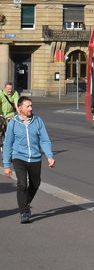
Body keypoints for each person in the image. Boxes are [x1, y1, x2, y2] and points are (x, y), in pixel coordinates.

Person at [3, 96, 55, 224]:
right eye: (28, 106)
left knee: (35, 183)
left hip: (35, 157)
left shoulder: (38, 121)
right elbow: (8, 144)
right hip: (19, 157)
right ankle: (24, 212)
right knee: (22, 184)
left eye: (31, 106)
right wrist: (6, 165)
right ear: (20, 108)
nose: (31, 108)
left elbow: (44, 140)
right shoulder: (13, 123)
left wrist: (49, 156)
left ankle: (25, 202)